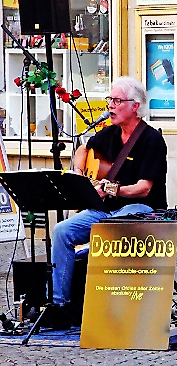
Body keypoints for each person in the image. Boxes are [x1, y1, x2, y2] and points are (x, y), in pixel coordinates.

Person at [50, 76, 167, 323]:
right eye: (109, 100)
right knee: (62, 231)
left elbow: (144, 189)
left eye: (116, 101)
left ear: (135, 106)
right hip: (105, 210)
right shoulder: (110, 134)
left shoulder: (151, 140)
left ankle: (108, 308)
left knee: (110, 227)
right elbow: (83, 148)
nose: (110, 106)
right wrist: (80, 174)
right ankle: (60, 305)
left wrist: (113, 190)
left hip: (142, 208)